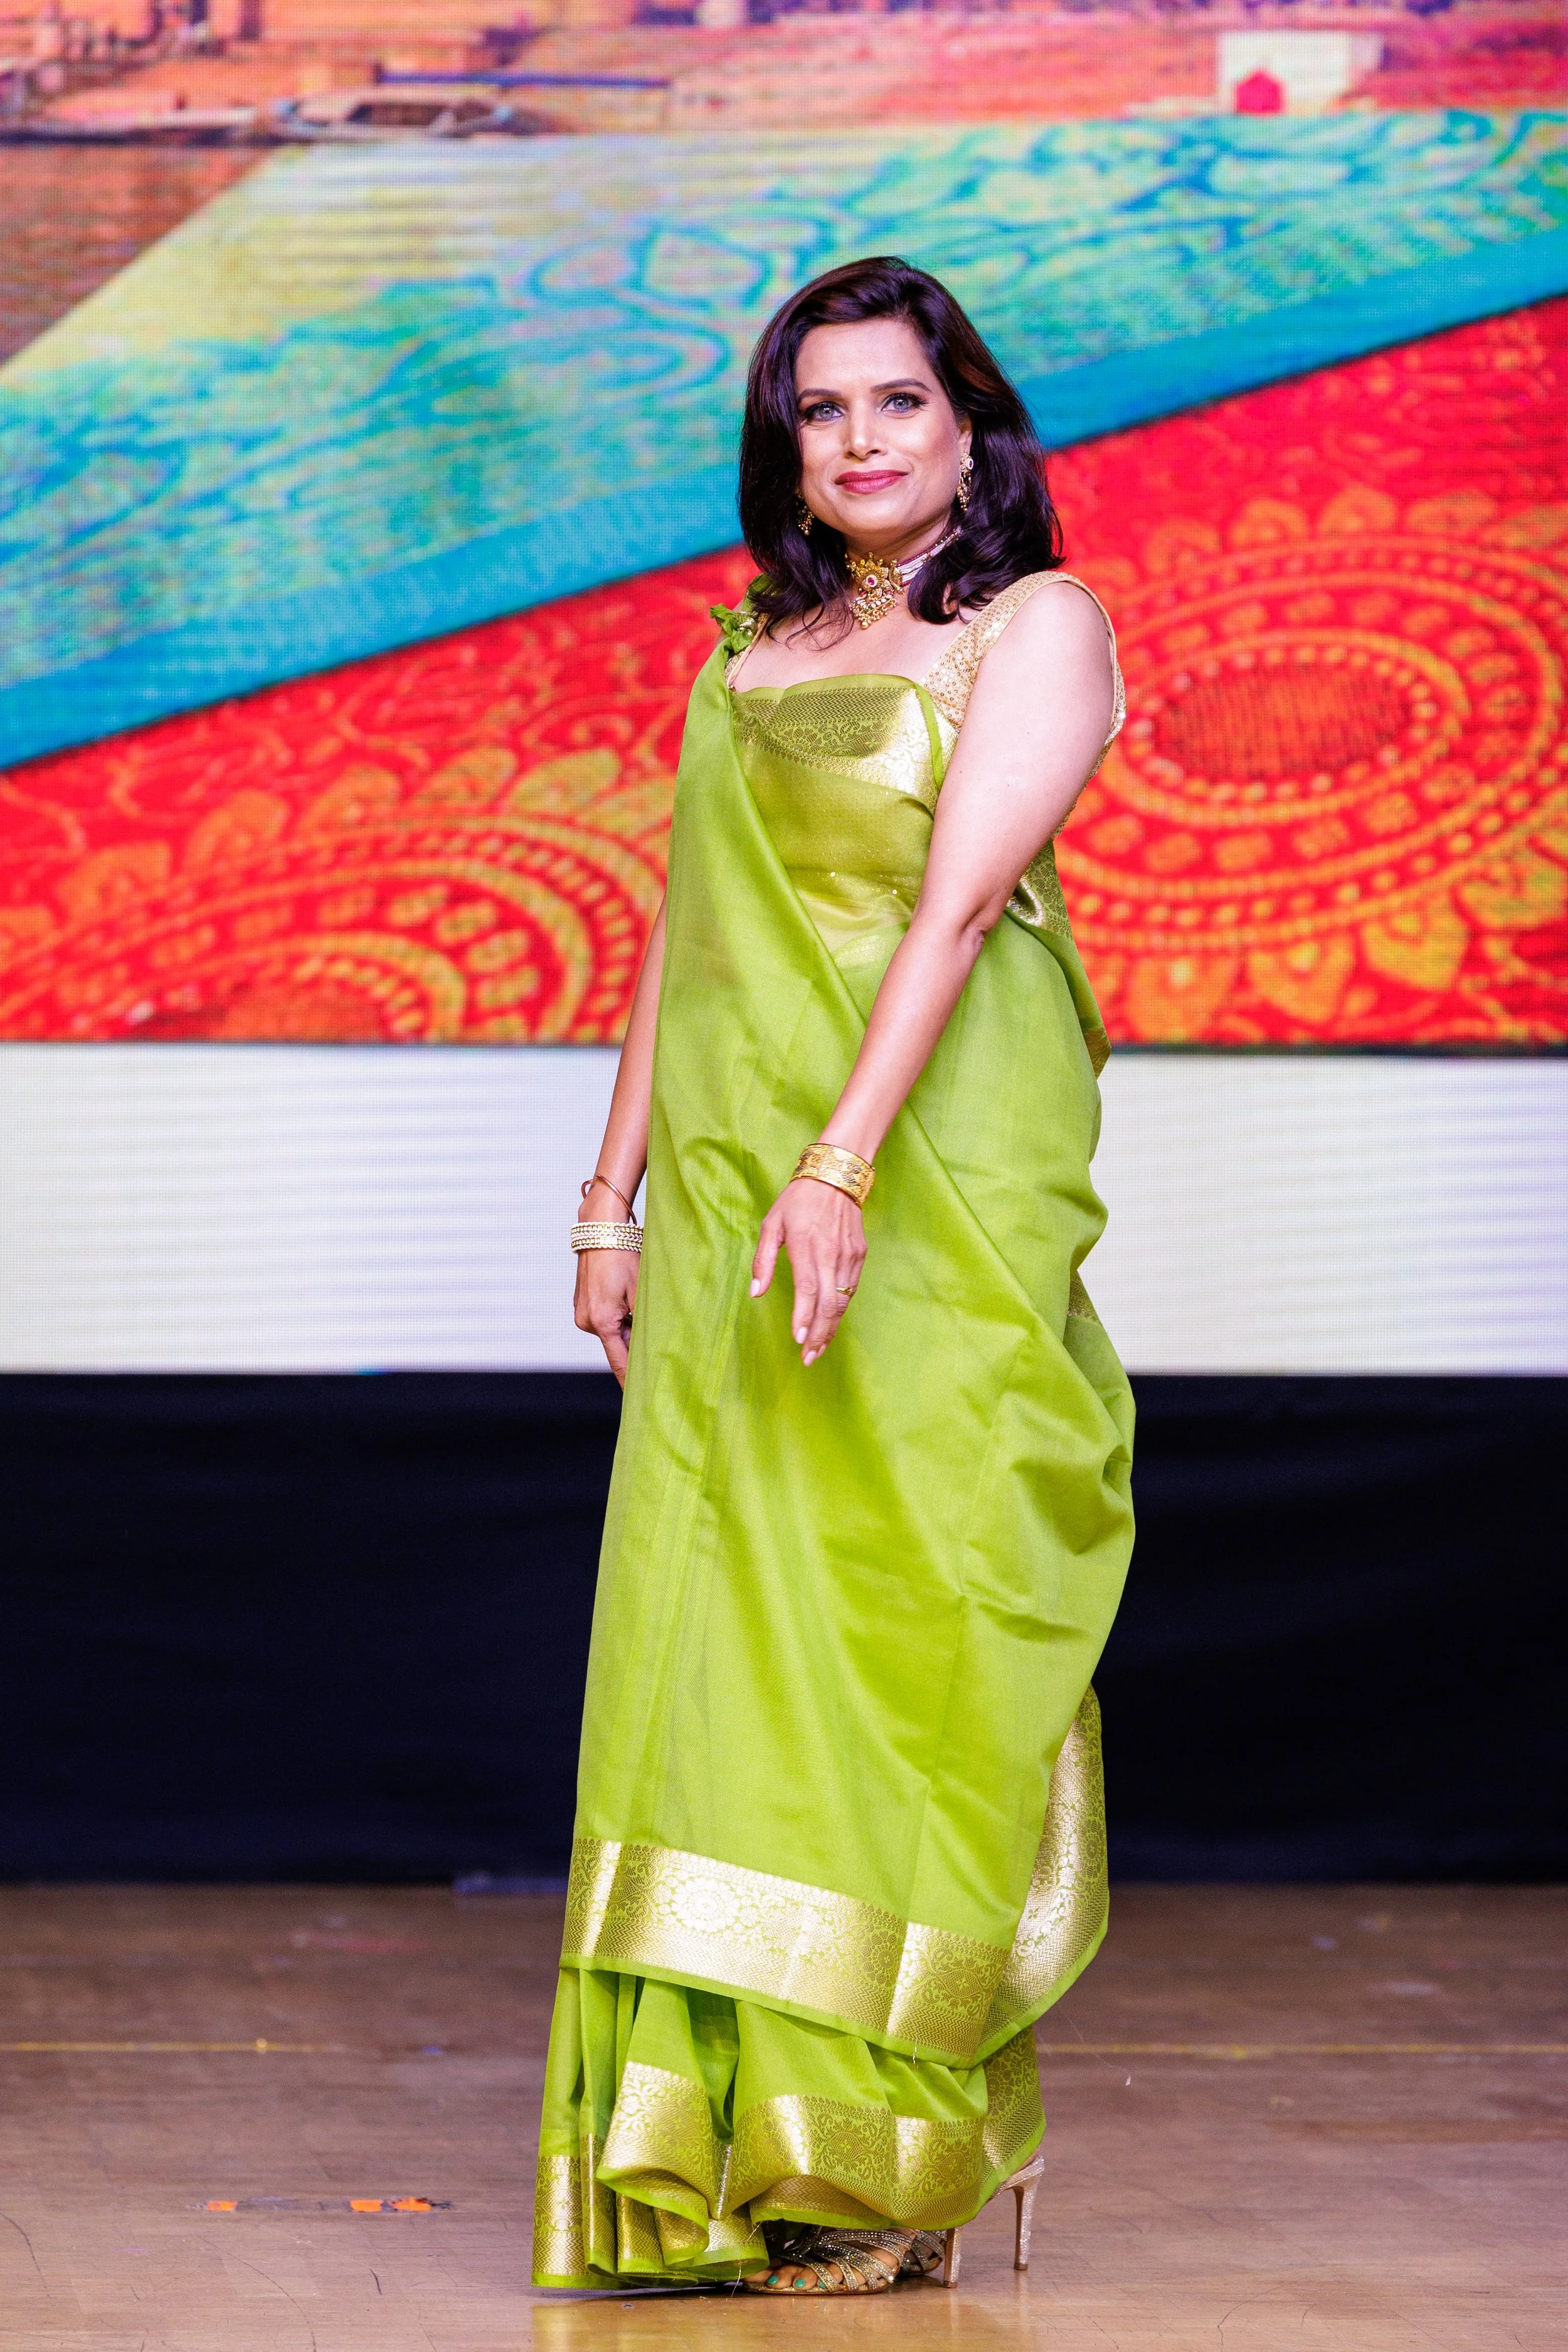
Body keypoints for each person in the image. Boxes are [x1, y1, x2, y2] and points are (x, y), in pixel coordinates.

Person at [532, 256, 1135, 2296]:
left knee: (895, 1638)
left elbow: (957, 909)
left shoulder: (1037, 625)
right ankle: (730, 2152)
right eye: (820, 408)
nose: (859, 439)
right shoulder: (755, 645)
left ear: (971, 424)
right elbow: (682, 937)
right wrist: (609, 1202)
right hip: (731, 1192)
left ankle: (893, 2150)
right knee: (723, 1651)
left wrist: (841, 1165)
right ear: (782, 444)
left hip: (926, 1189)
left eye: (897, 400)